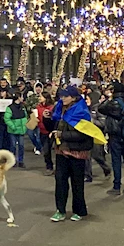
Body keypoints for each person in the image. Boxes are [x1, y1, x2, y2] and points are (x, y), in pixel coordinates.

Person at [49, 86, 93, 222]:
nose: (62, 98)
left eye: (65, 96)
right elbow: (54, 125)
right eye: (61, 96)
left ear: (73, 97)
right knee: (60, 182)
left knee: (77, 183)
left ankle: (79, 210)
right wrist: (48, 118)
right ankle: (60, 210)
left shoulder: (82, 111)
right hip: (61, 151)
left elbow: (82, 134)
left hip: (77, 152)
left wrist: (62, 134)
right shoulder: (60, 109)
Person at [98, 82, 124, 195]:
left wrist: (108, 98)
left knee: (116, 161)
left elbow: (101, 108)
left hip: (116, 135)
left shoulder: (113, 103)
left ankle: (117, 186)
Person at [84, 96, 111, 182]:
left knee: (97, 156)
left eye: (87, 99)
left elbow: (102, 123)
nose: (85, 101)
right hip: (86, 135)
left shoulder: (97, 109)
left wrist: (92, 121)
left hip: (96, 136)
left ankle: (107, 169)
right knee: (86, 156)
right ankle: (87, 175)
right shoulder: (82, 109)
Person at [4, 92, 28, 169]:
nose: (23, 98)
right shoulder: (10, 108)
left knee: (21, 146)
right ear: (18, 98)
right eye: (21, 97)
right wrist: (13, 126)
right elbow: (7, 118)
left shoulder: (23, 106)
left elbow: (25, 116)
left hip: (21, 130)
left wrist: (25, 125)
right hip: (13, 130)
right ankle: (13, 161)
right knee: (13, 146)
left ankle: (21, 161)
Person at [37, 92, 56, 176]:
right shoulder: (38, 107)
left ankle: (50, 167)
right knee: (45, 149)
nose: (39, 98)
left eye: (41, 96)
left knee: (47, 149)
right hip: (41, 130)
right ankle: (49, 165)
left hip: (49, 131)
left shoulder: (51, 108)